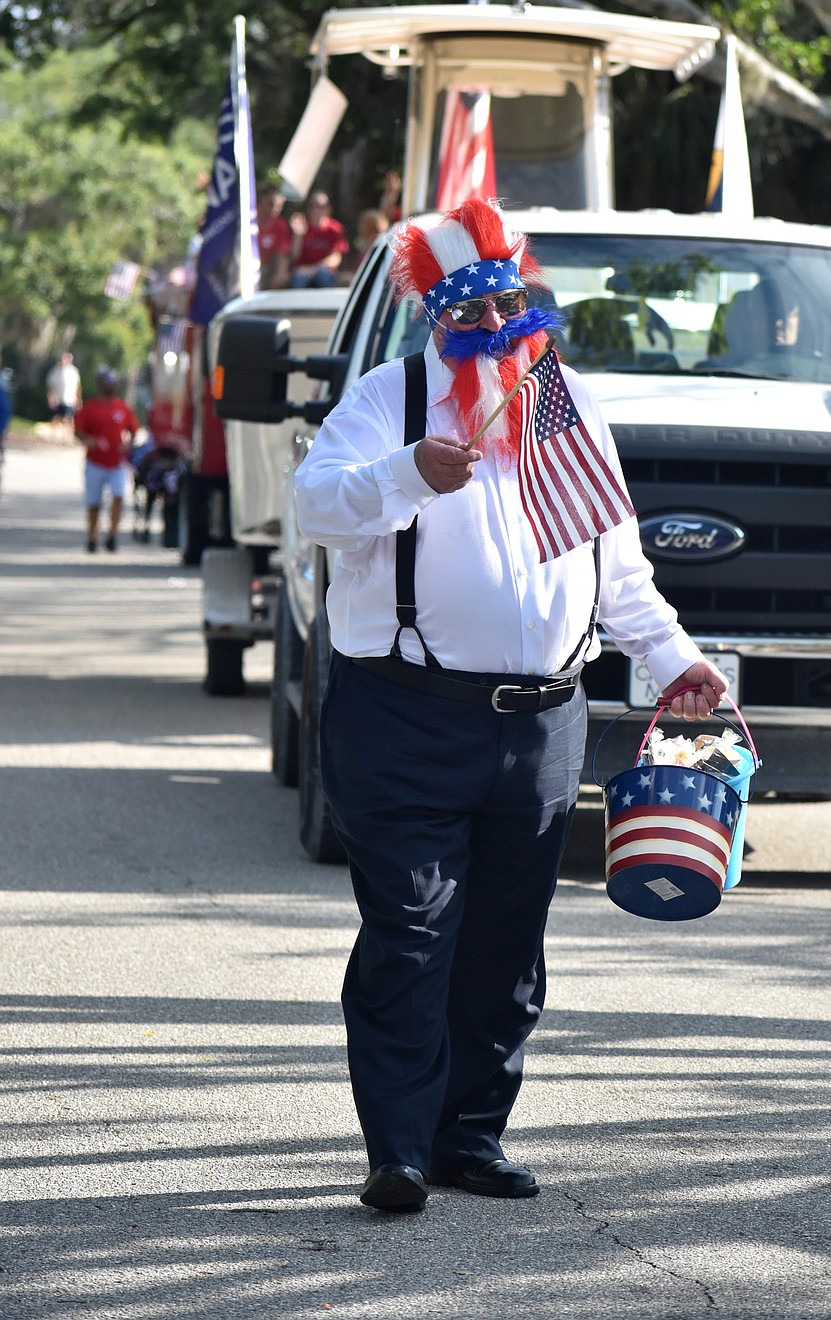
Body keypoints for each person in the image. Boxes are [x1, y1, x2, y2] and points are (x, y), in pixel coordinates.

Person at [294, 197, 729, 1214]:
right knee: (411, 928)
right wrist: (407, 474)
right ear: (438, 322)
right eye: (472, 316)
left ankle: (468, 1139)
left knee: (506, 941)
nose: (498, 331)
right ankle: (398, 1150)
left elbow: (618, 571)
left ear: (529, 305)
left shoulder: (563, 407)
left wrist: (677, 662)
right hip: (402, 712)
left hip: (540, 721)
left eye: (511, 308)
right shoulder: (389, 403)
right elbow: (315, 505)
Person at [74, 366, 141, 552]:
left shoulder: (122, 407)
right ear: (100, 385)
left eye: (112, 383)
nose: (109, 387)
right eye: (106, 383)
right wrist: (90, 441)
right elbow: (78, 431)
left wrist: (129, 444)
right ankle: (92, 536)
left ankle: (112, 535)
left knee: (118, 496)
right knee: (93, 503)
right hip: (95, 462)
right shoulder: (90, 407)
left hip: (117, 463)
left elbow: (134, 430)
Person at [289, 192, 349, 288]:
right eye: (312, 206)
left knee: (323, 275)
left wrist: (313, 270)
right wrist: (297, 236)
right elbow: (294, 257)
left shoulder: (335, 229)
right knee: (299, 277)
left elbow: (335, 259)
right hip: (302, 272)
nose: (316, 210)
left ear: (327, 209)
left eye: (321, 206)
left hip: (323, 270)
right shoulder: (302, 227)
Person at [256, 184, 293, 290]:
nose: (275, 209)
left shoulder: (281, 225)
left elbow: (281, 254)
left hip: (267, 268)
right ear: (261, 202)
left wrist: (281, 273)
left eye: (279, 206)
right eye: (271, 204)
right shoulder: (248, 218)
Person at [46, 352, 82, 437]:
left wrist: (78, 399)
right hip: (57, 399)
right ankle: (53, 436)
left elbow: (77, 387)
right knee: (56, 418)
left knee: (68, 418)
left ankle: (68, 437)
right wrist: (50, 398)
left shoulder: (73, 371)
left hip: (69, 399)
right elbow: (50, 387)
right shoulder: (55, 371)